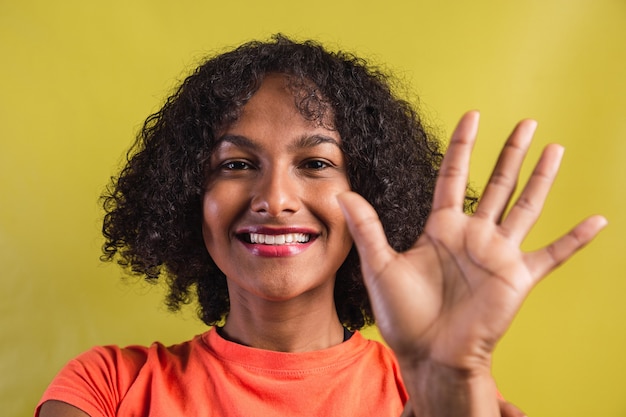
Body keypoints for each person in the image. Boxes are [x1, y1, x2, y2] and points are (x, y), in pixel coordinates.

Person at [36, 35, 606, 417]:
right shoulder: (107, 387)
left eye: (316, 164)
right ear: (188, 196)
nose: (275, 199)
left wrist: (453, 384)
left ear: (373, 196)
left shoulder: (438, 389)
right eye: (236, 164)